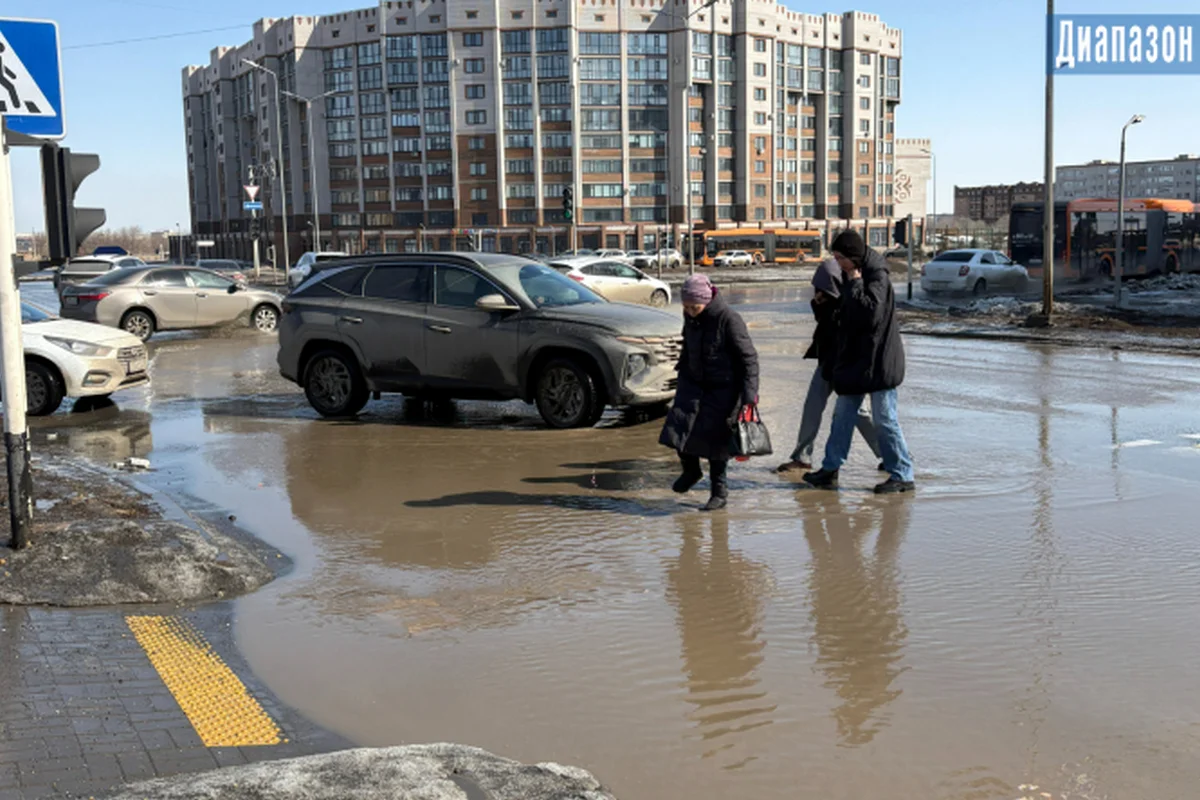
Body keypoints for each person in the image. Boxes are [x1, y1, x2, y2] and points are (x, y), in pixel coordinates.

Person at [803, 230, 915, 494]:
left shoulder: (877, 275)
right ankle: (830, 469)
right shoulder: (851, 274)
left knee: (885, 419)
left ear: (853, 257)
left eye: (840, 258)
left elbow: (870, 314)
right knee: (842, 416)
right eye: (835, 257)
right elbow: (846, 314)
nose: (838, 263)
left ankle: (902, 474)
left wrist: (854, 282)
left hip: (879, 361)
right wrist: (823, 305)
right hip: (855, 360)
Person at [660, 274, 760, 511]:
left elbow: (749, 358)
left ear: (706, 301)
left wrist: (750, 396)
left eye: (694, 307)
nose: (690, 312)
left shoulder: (729, 319)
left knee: (717, 443)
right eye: (686, 307)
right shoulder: (690, 318)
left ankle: (719, 492)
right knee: (679, 428)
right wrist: (682, 373)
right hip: (693, 384)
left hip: (724, 389)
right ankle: (691, 471)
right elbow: (687, 347)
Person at [776, 259, 881, 476]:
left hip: (848, 367)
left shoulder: (852, 299)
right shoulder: (825, 303)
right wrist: (819, 305)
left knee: (860, 414)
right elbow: (824, 329)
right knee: (812, 407)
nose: (817, 292)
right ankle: (802, 457)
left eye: (822, 287)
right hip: (827, 363)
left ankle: (890, 455)